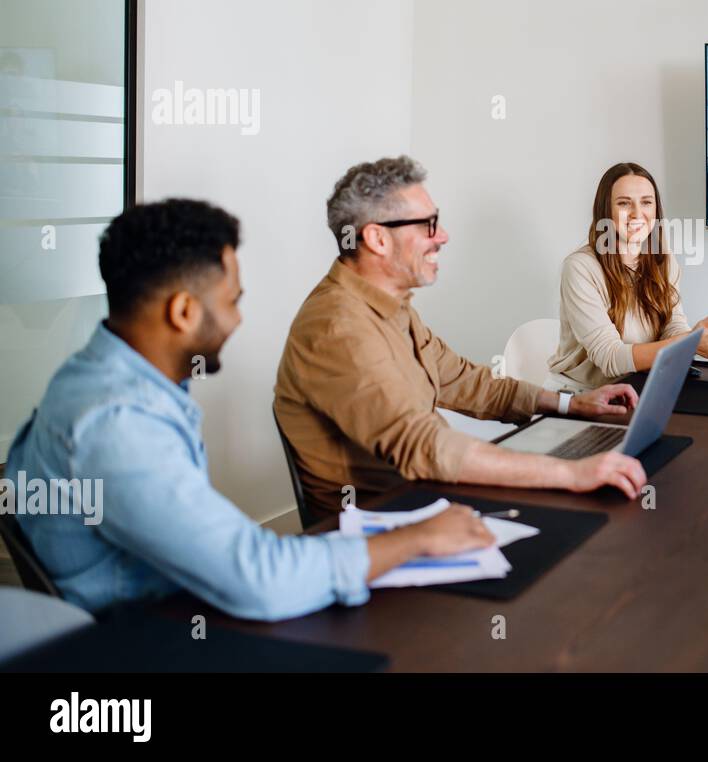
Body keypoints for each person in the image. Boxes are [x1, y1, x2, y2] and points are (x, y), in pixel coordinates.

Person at [5, 200, 495, 620]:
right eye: (233, 301)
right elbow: (257, 577)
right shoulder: (118, 422)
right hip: (148, 638)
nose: (239, 318)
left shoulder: (94, 373)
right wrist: (415, 539)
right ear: (183, 312)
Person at [274, 157, 649, 522]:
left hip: (426, 497)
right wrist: (571, 474)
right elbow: (426, 446)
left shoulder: (391, 307)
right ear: (377, 238)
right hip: (381, 524)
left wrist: (571, 405)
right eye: (427, 224)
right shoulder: (339, 329)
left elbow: (470, 383)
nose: (443, 236)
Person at [548, 163, 708, 390]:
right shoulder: (580, 267)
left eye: (646, 202)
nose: (637, 214)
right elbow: (610, 358)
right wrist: (690, 343)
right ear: (605, 210)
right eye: (624, 203)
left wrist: (695, 335)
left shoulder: (663, 259)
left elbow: (672, 324)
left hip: (638, 384)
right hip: (580, 394)